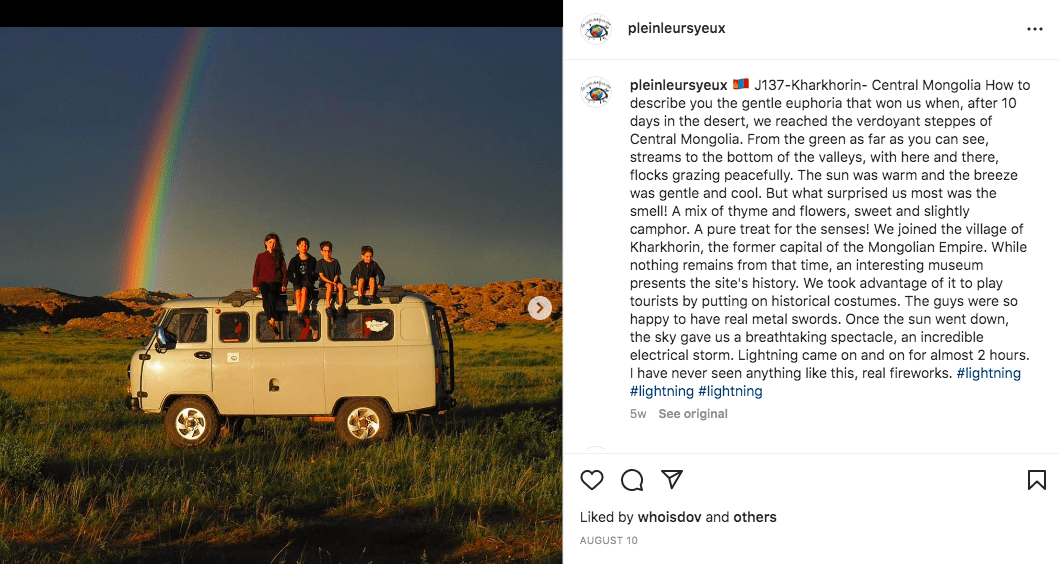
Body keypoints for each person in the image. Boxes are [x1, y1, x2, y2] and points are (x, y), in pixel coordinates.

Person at [252, 233, 286, 334]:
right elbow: (256, 271)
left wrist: (284, 284)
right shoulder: (260, 256)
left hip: (276, 282)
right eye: (270, 242)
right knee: (265, 297)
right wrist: (255, 285)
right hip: (263, 282)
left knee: (271, 295)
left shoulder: (279, 256)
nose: (272, 245)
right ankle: (271, 319)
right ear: (266, 243)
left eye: (274, 243)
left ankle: (270, 319)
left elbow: (284, 271)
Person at [287, 237, 317, 319]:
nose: (304, 247)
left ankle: (301, 312)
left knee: (304, 290)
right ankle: (299, 312)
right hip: (298, 281)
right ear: (298, 247)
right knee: (297, 292)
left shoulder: (312, 260)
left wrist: (312, 279)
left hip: (308, 281)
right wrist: (293, 280)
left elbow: (317, 272)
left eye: (306, 245)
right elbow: (289, 273)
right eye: (301, 245)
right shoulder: (294, 260)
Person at [317, 241, 346, 317]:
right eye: (325, 251)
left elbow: (337, 274)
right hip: (325, 282)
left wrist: (335, 282)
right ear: (321, 252)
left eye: (329, 251)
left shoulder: (335, 262)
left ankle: (341, 306)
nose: (327, 253)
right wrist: (332, 283)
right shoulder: (320, 263)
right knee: (329, 286)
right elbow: (321, 276)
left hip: (335, 281)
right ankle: (328, 306)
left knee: (341, 286)